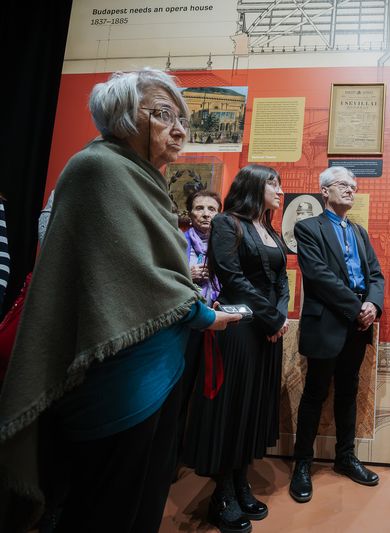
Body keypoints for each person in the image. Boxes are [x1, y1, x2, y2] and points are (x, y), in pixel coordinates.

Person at [0, 68, 241, 533]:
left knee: (144, 500)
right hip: (120, 377)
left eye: (183, 119)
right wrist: (202, 313)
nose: (179, 130)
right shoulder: (98, 168)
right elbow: (136, 276)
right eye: (164, 114)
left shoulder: (146, 179)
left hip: (160, 365)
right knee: (107, 508)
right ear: (123, 116)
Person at [183, 165, 289, 533]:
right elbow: (232, 277)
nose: (280, 190)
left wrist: (279, 316)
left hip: (267, 330)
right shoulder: (227, 223)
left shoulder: (271, 229)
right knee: (233, 410)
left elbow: (282, 279)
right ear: (254, 187)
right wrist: (271, 318)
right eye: (273, 184)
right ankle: (223, 494)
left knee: (253, 408)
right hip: (237, 328)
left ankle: (241, 482)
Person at [289, 166, 384, 504]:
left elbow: (376, 275)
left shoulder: (359, 232)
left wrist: (373, 304)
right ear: (325, 190)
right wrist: (356, 307)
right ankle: (302, 464)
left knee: (348, 392)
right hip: (328, 321)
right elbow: (318, 276)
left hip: (358, 325)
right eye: (343, 185)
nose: (350, 190)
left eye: (353, 186)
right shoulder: (308, 228)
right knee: (315, 393)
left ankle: (345, 457)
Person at [173, 189, 222, 475]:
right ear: (189, 213)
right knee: (179, 393)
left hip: (216, 324)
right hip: (186, 325)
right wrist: (187, 274)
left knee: (210, 395)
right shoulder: (178, 242)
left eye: (211, 209)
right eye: (199, 208)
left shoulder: (224, 244)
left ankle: (203, 456)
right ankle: (171, 459)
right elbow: (162, 276)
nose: (205, 214)